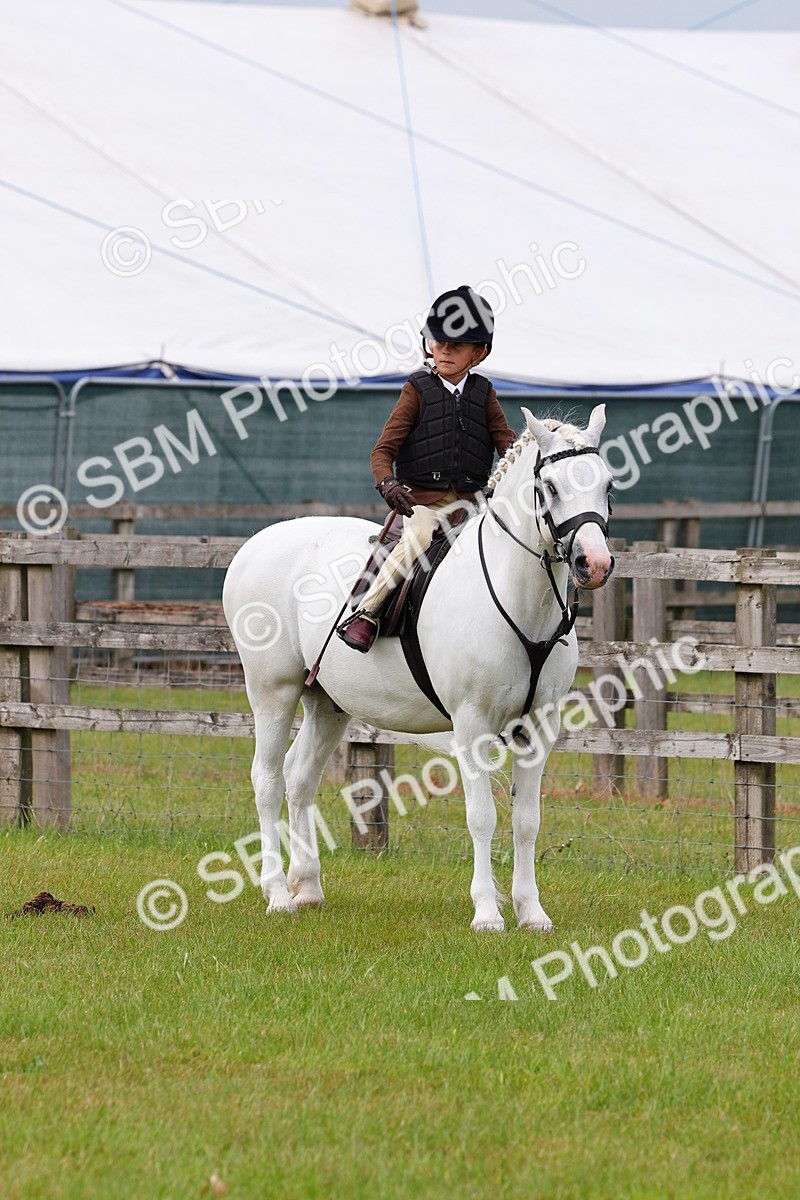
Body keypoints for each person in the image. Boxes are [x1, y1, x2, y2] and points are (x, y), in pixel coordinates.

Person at [337, 284, 517, 653]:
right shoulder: (416, 388)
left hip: (471, 505)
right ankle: (367, 613)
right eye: (438, 342)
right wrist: (388, 484)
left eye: (458, 344)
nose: (445, 350)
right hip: (422, 503)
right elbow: (382, 450)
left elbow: (508, 447)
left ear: (478, 352)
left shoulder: (484, 394)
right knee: (418, 538)